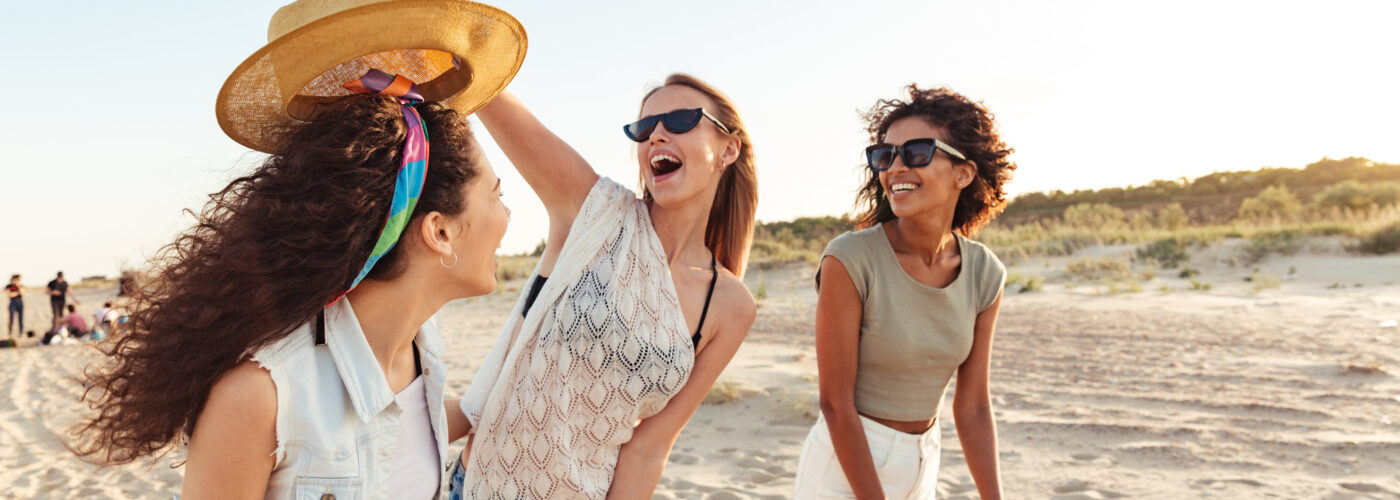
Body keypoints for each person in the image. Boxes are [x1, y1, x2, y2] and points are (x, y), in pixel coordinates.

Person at [69, 1, 527, 499]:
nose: (507, 216)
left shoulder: (420, 353)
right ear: (439, 232)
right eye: (496, 194)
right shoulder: (260, 396)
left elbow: (409, 421)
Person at [452, 74, 759, 499]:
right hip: (479, 486)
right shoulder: (595, 212)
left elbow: (649, 448)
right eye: (644, 129)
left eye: (681, 119)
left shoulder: (729, 305)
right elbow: (486, 89)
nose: (657, 136)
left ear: (729, 148)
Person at [793, 85, 1016, 499]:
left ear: (963, 173)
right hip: (844, 465)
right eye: (885, 155)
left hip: (923, 460)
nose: (895, 167)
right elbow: (835, 405)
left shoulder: (985, 273)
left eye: (916, 152)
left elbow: (973, 408)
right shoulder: (850, 259)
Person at [6, 274, 21, 342]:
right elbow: (10, 294)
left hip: (20, 302)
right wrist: (17, 293)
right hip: (12, 302)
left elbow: (22, 293)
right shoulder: (9, 286)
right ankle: (10, 333)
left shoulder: (20, 286)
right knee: (11, 319)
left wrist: (18, 287)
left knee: (20, 318)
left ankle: (21, 332)